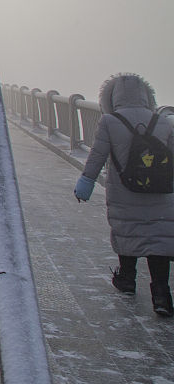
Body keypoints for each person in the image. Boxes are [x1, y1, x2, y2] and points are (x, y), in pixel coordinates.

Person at [74, 73, 174, 317]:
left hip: (124, 189)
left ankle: (127, 279)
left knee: (127, 229)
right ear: (146, 96)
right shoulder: (162, 121)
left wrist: (86, 182)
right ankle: (161, 293)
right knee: (158, 236)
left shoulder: (110, 121)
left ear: (112, 97)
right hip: (160, 190)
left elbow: (98, 154)